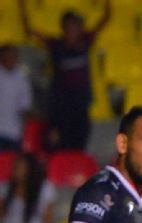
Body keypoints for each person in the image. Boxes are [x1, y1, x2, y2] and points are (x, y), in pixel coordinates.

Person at [19, 0, 110, 151]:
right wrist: (22, 7)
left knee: (78, 148)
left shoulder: (86, 42)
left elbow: (106, 18)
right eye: (69, 26)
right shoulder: (56, 46)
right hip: (60, 110)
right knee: (56, 147)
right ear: (63, 28)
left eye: (76, 26)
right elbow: (29, 30)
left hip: (81, 108)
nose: (73, 30)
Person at [0, 152, 57, 223]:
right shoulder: (5, 189)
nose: (16, 170)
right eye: (15, 167)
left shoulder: (44, 189)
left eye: (21, 167)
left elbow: (48, 219)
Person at [0, 44, 33, 152]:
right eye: (7, 56)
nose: (10, 59)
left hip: (15, 131)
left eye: (13, 56)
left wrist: (25, 128)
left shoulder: (22, 77)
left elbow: (25, 105)